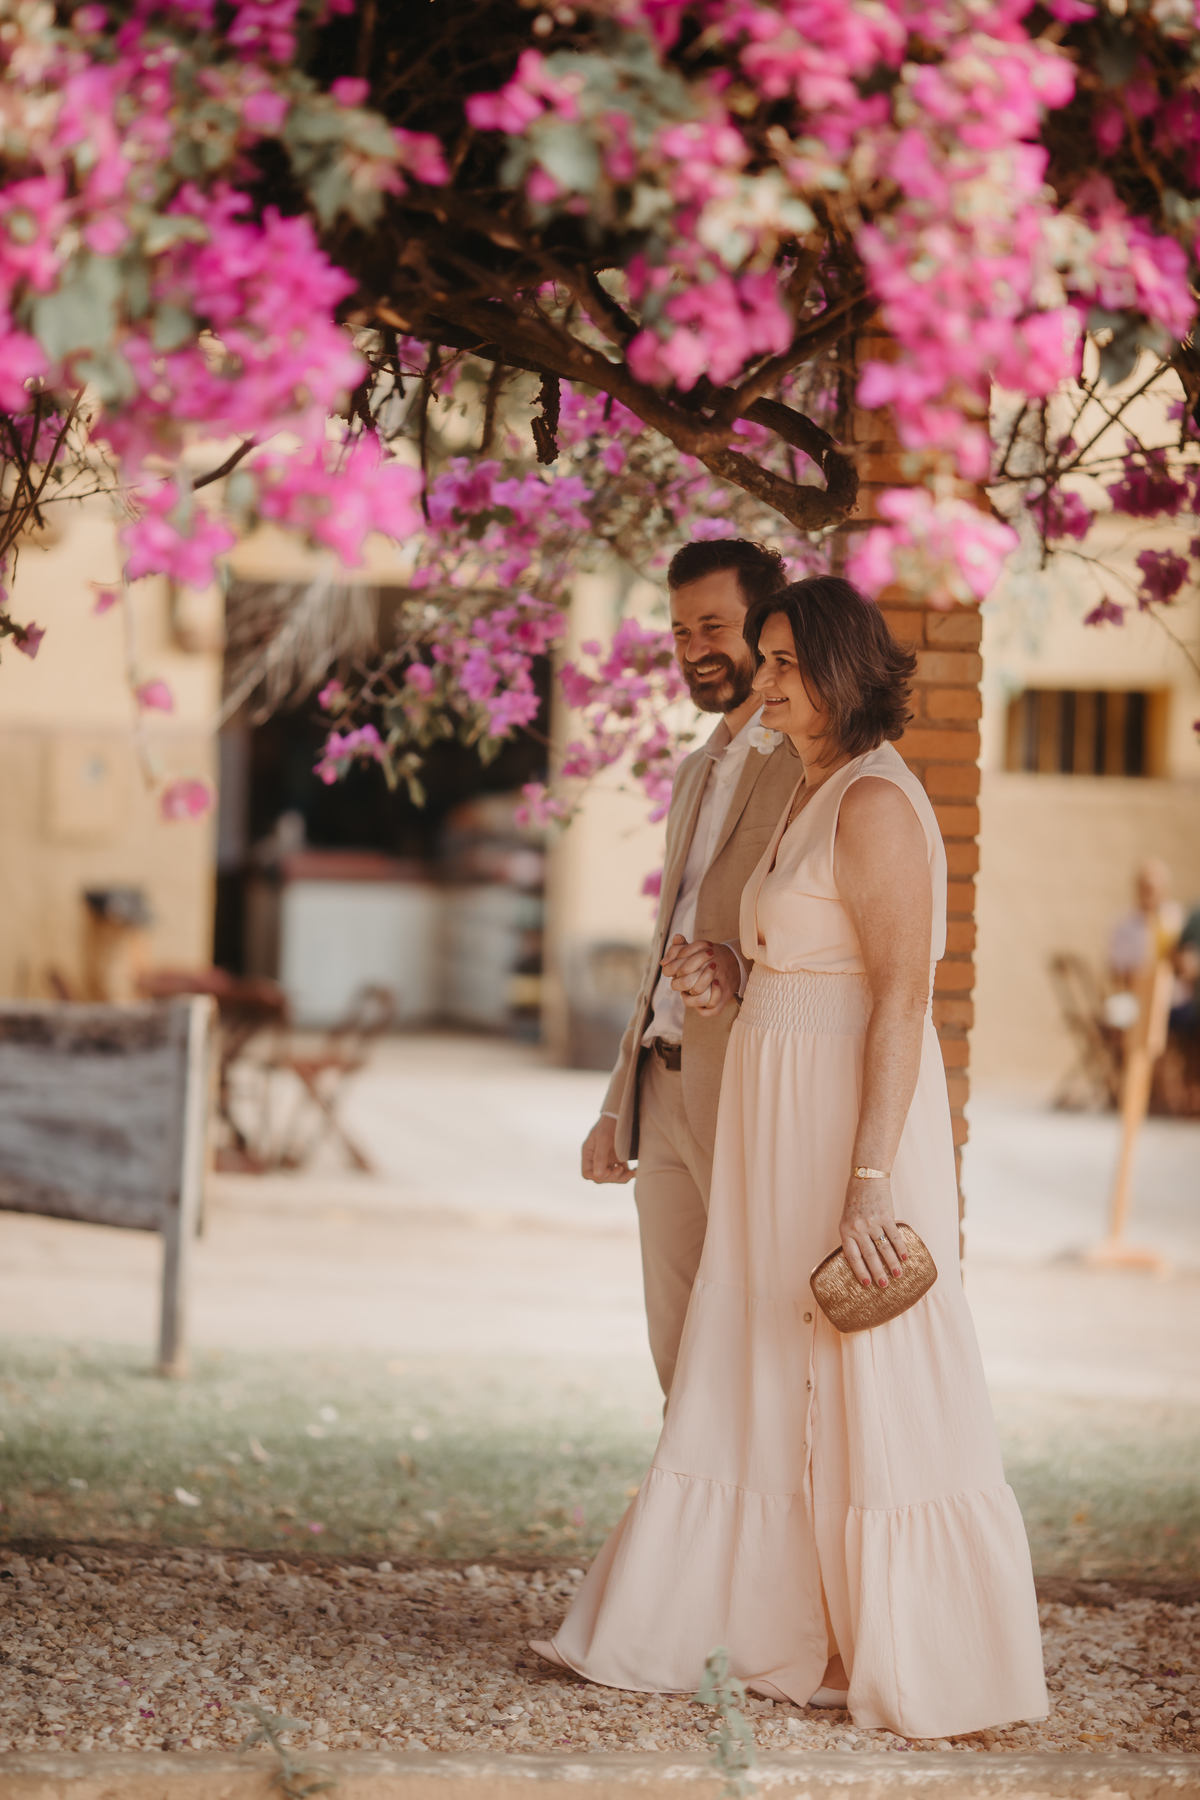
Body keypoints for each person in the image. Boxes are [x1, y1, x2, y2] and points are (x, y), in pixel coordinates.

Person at [536, 577, 1047, 1742]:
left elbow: (901, 1001)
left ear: (836, 673)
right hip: (773, 1109)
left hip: (843, 1128)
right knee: (767, 1352)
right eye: (758, 659)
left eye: (778, 663)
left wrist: (871, 1182)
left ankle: (912, 1644)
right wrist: (733, 972)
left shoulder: (875, 801)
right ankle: (770, 1626)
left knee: (867, 1362)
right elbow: (810, 966)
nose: (760, 682)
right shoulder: (807, 790)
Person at [580, 538, 798, 1399]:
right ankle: (693, 1533)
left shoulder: (807, 770)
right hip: (661, 1095)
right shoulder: (696, 767)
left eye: (713, 625)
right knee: (676, 1357)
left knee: (752, 1345)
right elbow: (665, 937)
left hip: (744, 1091)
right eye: (677, 631)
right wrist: (616, 1100)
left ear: (766, 626)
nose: (693, 649)